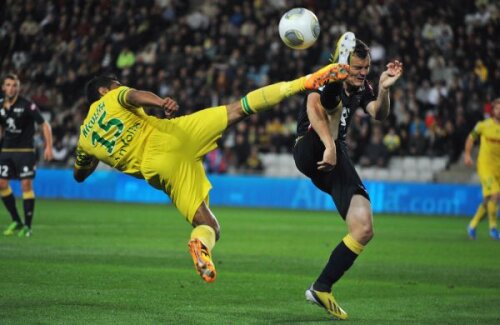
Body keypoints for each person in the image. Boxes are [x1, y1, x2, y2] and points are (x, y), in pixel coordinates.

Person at [73, 62, 349, 283]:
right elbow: (134, 95)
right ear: (103, 91)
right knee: (239, 108)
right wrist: (160, 103)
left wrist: (94, 156)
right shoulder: (112, 97)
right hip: (173, 135)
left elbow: (80, 174)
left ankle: (199, 244)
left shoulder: (84, 140)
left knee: (210, 227)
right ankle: (306, 81)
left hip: (159, 169)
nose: (119, 86)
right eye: (115, 84)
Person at [293, 32, 403, 319]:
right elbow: (311, 106)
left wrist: (384, 88)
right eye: (357, 68)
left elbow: (379, 114)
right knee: (332, 100)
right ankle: (336, 76)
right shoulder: (323, 78)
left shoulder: (364, 86)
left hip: (335, 153)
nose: (363, 73)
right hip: (311, 144)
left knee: (364, 227)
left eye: (366, 68)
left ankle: (322, 287)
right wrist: (329, 145)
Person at [0, 74, 54, 237]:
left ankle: (28, 227)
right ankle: (17, 220)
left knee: (26, 186)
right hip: (6, 151)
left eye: (14, 85)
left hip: (25, 151)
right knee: (1, 184)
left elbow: (44, 125)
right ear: (3, 87)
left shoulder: (27, 105)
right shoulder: (1, 106)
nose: (11, 88)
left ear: (18, 88)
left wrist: (48, 147)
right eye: (8, 85)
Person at [464, 98, 500, 240]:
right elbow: (471, 138)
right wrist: (467, 154)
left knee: (488, 198)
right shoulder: (483, 125)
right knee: (496, 194)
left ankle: (472, 225)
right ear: (493, 110)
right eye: (497, 108)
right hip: (485, 166)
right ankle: (493, 228)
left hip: (498, 168)